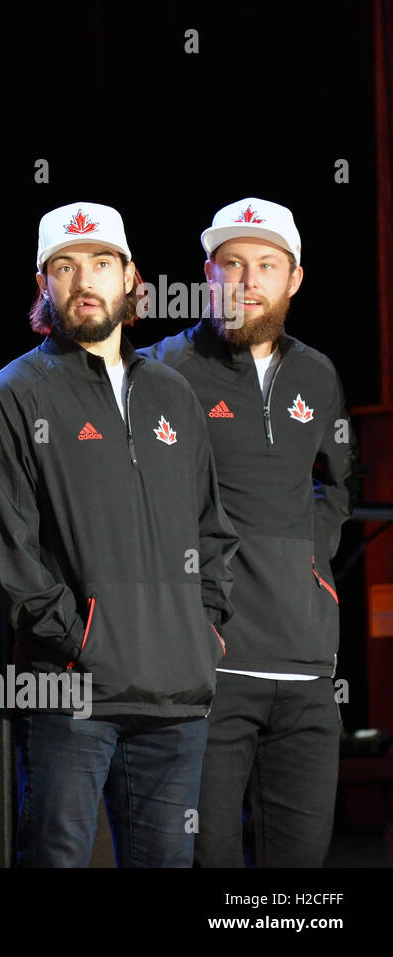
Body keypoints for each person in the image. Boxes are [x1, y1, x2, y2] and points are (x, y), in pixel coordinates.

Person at [0, 201, 239, 867]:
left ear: (130, 277)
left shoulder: (175, 394)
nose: (83, 279)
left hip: (176, 697)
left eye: (99, 263)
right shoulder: (12, 396)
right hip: (70, 694)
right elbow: (7, 553)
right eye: (64, 266)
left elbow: (213, 529)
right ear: (44, 285)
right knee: (56, 858)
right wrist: (81, 638)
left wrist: (203, 627)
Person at [142, 198, 357, 866]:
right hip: (209, 669)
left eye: (266, 265)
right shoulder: (163, 370)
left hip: (306, 669)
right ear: (208, 274)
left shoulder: (318, 374)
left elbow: (341, 483)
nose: (248, 280)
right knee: (210, 861)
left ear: (294, 279)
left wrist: (310, 562)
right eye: (231, 264)